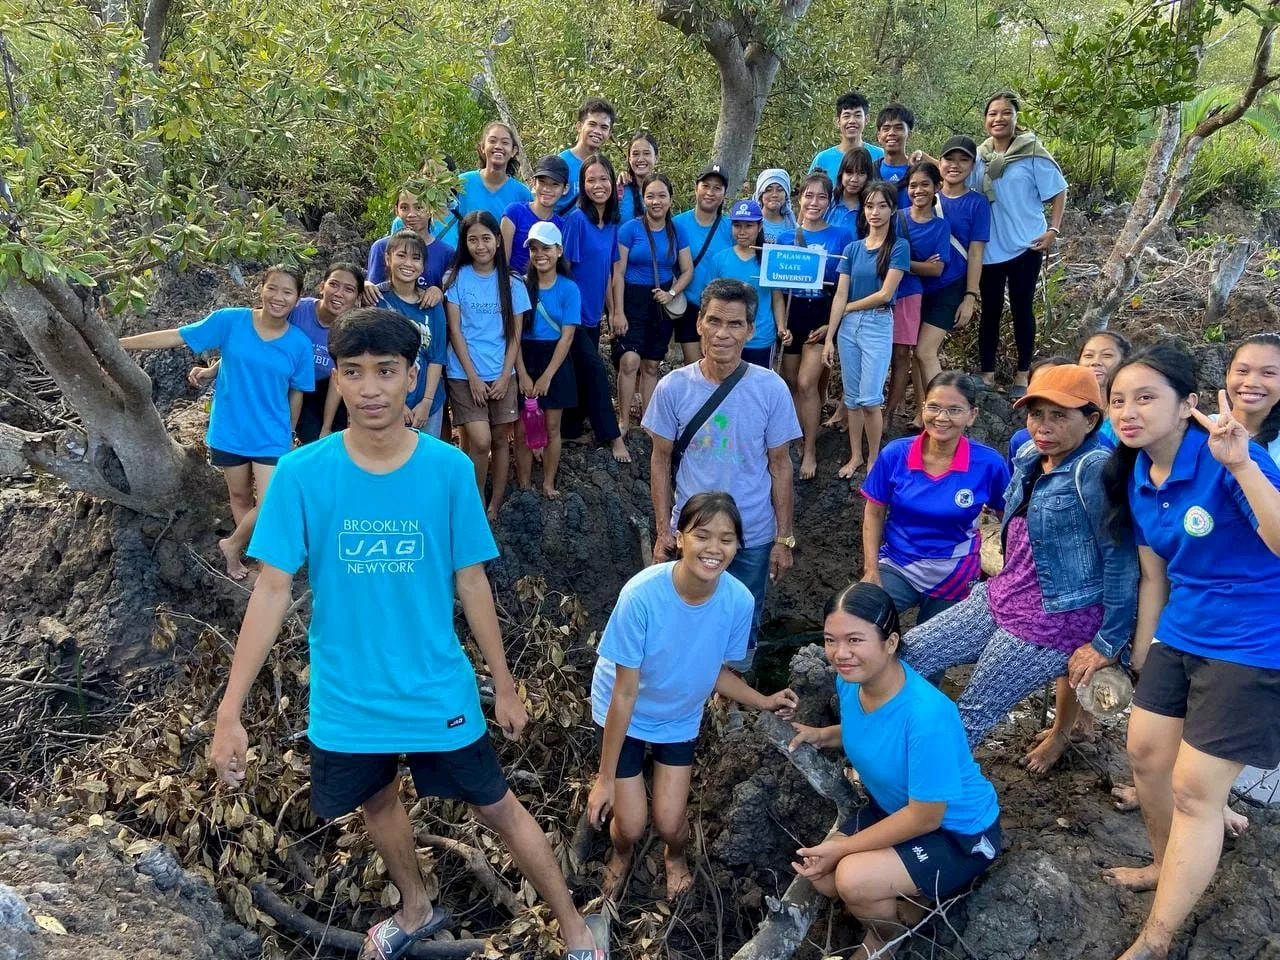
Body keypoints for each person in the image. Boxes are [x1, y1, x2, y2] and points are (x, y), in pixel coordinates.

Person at [208, 308, 602, 960]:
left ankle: (576, 929)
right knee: (377, 797)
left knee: (497, 806)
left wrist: (503, 684)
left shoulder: (448, 470)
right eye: (354, 372)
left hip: (433, 686)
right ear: (337, 374)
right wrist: (230, 710)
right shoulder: (303, 474)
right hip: (346, 695)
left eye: (385, 372)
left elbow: (472, 582)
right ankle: (415, 906)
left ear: (411, 377)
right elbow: (272, 589)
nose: (369, 389)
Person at [1099, 344, 1280, 960]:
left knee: (1196, 790)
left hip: (1254, 638)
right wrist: (1146, 651)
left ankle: (1157, 938)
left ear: (1188, 407)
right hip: (1183, 629)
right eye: (1118, 399)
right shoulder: (1136, 473)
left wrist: (1243, 467)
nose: (1129, 410)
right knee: (1145, 755)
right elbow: (1156, 573)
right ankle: (1162, 862)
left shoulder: (1230, 454)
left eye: (1146, 397)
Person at [898, 364, 1138, 750]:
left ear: (1092, 420)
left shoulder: (1093, 470)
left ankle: (917, 794)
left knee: (974, 707)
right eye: (1036, 414)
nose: (1043, 427)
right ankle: (887, 746)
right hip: (1004, 594)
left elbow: (1120, 560)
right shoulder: (1028, 454)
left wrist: (1108, 643)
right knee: (908, 652)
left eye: (1059, 416)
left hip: (1056, 618)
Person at [587, 493, 799, 901]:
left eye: (726, 539)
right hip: (625, 711)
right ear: (680, 538)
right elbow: (624, 691)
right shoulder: (641, 596)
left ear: (739, 546)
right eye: (702, 535)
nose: (713, 549)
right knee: (630, 824)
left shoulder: (739, 600)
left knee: (670, 822)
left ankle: (675, 856)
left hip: (679, 713)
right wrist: (603, 779)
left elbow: (716, 669)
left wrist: (763, 700)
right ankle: (621, 854)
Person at [790, 583, 1001, 958]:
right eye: (830, 640)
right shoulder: (850, 682)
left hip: (956, 833)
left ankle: (886, 938)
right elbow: (873, 728)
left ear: (890, 642)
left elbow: (926, 816)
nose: (840, 654)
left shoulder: (926, 715)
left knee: (851, 878)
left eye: (855, 640)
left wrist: (845, 850)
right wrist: (824, 735)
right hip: (893, 810)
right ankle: (909, 901)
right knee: (820, 875)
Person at [643, 278, 802, 671]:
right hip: (693, 532)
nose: (722, 334)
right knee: (684, 614)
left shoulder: (771, 389)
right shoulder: (673, 388)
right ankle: (685, 688)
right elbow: (660, 461)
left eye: (734, 324)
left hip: (752, 534)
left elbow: (780, 466)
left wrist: (784, 537)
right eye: (714, 321)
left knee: (741, 621)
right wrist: (664, 529)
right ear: (699, 323)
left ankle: (732, 698)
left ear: (751, 330)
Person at [121, 266, 314, 580]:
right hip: (229, 430)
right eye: (272, 288)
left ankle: (232, 544)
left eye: (287, 292)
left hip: (272, 435)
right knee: (239, 498)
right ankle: (246, 559)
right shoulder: (231, 321)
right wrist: (121, 344)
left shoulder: (299, 345)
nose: (278, 297)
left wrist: (290, 431)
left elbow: (297, 393)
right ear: (261, 288)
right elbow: (178, 335)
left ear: (297, 299)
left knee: (272, 502)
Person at [861, 372, 1010, 624]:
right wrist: (871, 569)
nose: (942, 418)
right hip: (898, 562)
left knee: (931, 655)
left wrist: (1007, 575)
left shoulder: (989, 463)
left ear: (972, 415)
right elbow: (874, 513)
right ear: (923, 408)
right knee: (863, 621)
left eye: (954, 410)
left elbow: (1008, 519)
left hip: (954, 571)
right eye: (934, 407)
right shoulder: (896, 454)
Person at [188, 263, 364, 445]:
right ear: (322, 286)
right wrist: (214, 369)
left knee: (334, 439)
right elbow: (255, 341)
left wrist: (326, 428)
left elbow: (337, 382)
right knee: (309, 436)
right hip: (285, 380)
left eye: (349, 289)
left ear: (357, 297)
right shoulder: (297, 310)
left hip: (324, 386)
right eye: (333, 285)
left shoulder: (350, 331)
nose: (339, 293)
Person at [975, 91, 1067, 397]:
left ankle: (1022, 375)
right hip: (991, 246)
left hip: (1027, 244)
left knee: (1021, 308)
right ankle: (986, 374)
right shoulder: (980, 155)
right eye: (993, 113)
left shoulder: (1031, 152)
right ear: (985, 120)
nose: (998, 118)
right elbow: (954, 174)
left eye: (1005, 113)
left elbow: (1058, 190)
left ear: (1016, 118)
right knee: (989, 310)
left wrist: (1053, 229)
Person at [444, 211, 531, 520]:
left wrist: (508, 375)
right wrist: (473, 377)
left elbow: (515, 334)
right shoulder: (454, 279)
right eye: (472, 240)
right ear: (464, 244)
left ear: (497, 240)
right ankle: (476, 499)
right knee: (479, 441)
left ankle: (496, 501)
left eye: (485, 238)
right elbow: (455, 331)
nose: (480, 246)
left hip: (501, 375)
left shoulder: (513, 282)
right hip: (464, 374)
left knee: (499, 439)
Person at [823, 182, 909, 480]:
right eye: (870, 206)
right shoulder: (852, 249)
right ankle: (856, 455)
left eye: (882, 206)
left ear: (892, 209)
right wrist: (829, 338)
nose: (875, 212)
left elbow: (886, 294)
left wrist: (848, 308)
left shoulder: (898, 247)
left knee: (871, 398)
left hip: (876, 323)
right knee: (852, 398)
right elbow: (839, 295)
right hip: (847, 328)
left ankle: (875, 458)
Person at [778, 173, 854, 481]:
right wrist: (781, 324)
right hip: (792, 315)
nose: (814, 202)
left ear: (830, 201)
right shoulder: (785, 237)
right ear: (799, 198)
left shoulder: (841, 236)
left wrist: (831, 327)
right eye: (808, 196)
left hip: (821, 316)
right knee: (790, 382)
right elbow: (777, 289)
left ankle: (810, 449)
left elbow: (844, 288)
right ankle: (794, 438)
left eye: (821, 197)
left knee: (809, 384)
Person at [560, 153, 630, 463]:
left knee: (579, 371)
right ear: (582, 185)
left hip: (592, 315)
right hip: (569, 315)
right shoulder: (577, 220)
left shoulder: (611, 223)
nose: (597, 185)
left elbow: (610, 271)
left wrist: (614, 311)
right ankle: (612, 436)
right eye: (591, 180)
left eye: (603, 179)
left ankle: (571, 428)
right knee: (597, 370)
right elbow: (563, 271)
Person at [613, 173, 693, 434]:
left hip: (661, 301)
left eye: (662, 196)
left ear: (670, 199)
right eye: (650, 196)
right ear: (643, 199)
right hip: (632, 299)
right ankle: (623, 419)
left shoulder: (677, 230)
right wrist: (617, 311)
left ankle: (648, 419)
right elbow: (618, 273)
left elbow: (687, 270)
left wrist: (672, 293)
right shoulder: (630, 229)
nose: (656, 201)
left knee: (650, 364)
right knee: (629, 361)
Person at [921, 136, 989, 394]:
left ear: (973, 166)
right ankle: (922, 408)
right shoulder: (926, 195)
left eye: (964, 160)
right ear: (939, 162)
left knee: (925, 351)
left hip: (951, 285)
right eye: (950, 159)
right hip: (920, 282)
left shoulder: (977, 203)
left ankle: (944, 404)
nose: (955, 165)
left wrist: (970, 295)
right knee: (920, 354)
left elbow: (975, 252)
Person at [515, 222, 578, 499]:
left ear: (559, 251)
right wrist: (522, 373)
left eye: (546, 248)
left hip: (555, 359)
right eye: (535, 249)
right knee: (521, 426)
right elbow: (513, 336)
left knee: (553, 426)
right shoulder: (520, 286)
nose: (540, 254)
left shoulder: (569, 289)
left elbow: (567, 337)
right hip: (525, 355)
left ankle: (548, 482)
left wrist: (547, 375)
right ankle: (524, 483)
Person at [887, 162, 951, 421]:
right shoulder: (895, 217)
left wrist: (901, 262)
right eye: (913, 185)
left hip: (910, 294)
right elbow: (881, 254)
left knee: (902, 354)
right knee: (881, 352)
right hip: (883, 291)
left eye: (925, 184)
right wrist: (919, 265)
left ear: (937, 187)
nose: (918, 190)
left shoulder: (940, 227)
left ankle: (889, 414)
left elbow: (936, 270)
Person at [374, 231, 447, 438]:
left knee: (425, 463)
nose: (408, 263)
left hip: (428, 403)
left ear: (423, 266)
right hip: (386, 402)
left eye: (416, 258)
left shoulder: (432, 304)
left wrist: (427, 402)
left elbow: (437, 356)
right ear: (388, 258)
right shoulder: (377, 300)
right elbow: (374, 359)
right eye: (401, 255)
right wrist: (398, 403)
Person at [708, 198, 789, 368]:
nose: (742, 231)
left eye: (749, 226)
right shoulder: (719, 259)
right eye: (737, 225)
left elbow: (777, 298)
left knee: (757, 390)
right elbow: (710, 301)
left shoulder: (769, 259)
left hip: (761, 338)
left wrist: (782, 328)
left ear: (759, 227)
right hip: (726, 338)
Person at [432, 121, 533, 247]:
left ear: (513, 151)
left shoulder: (522, 194)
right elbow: (441, 218)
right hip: (463, 261)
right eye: (492, 141)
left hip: (503, 263)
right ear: (482, 148)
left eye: (505, 142)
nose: (498, 146)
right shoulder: (460, 183)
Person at [672, 163, 734, 364]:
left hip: (721, 308)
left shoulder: (731, 228)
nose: (710, 192)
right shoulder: (677, 223)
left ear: (724, 194)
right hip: (689, 306)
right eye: (706, 186)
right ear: (696, 188)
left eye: (717, 188)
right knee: (695, 368)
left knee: (718, 366)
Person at [368, 186, 454, 294]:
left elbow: (449, 296)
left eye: (419, 208)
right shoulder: (381, 247)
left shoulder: (446, 252)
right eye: (404, 208)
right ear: (396, 210)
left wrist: (438, 293)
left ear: (431, 210)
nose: (411, 214)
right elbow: (372, 293)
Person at [501, 155, 569, 274]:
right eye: (542, 182)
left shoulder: (563, 227)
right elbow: (502, 262)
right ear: (533, 183)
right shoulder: (514, 213)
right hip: (513, 287)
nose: (547, 189)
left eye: (555, 184)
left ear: (565, 189)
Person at [808, 90, 886, 183]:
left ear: (867, 119)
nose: (852, 121)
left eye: (858, 115)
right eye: (846, 116)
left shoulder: (880, 156)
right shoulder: (822, 159)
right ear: (837, 121)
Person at [557, 97, 616, 215]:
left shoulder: (604, 167)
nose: (597, 131)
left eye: (603, 127)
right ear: (579, 126)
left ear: (609, 134)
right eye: (592, 124)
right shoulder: (560, 163)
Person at [873, 105, 915, 209]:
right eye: (886, 128)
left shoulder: (918, 170)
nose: (891, 133)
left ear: (909, 134)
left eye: (898, 128)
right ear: (879, 136)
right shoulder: (871, 171)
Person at [826, 147, 874, 235]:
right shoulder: (828, 201)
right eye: (849, 172)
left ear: (868, 176)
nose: (854, 179)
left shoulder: (872, 208)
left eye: (861, 173)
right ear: (841, 173)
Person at [617, 130, 658, 223]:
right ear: (629, 158)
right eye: (635, 154)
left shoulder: (662, 190)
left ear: (656, 157)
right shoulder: (619, 190)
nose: (640, 159)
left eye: (646, 153)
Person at [754, 168, 796, 244]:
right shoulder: (751, 223)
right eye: (768, 190)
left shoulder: (792, 225)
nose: (774, 195)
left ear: (786, 194)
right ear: (760, 194)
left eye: (780, 190)